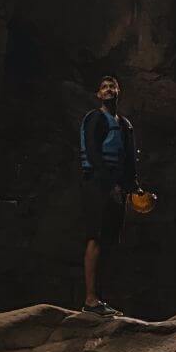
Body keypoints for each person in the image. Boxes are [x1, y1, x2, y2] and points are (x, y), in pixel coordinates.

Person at [78, 73, 138, 317]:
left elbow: (129, 160)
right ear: (98, 94)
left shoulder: (125, 125)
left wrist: (133, 186)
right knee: (96, 237)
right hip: (98, 185)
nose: (108, 90)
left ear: (118, 92)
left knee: (110, 241)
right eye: (104, 87)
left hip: (117, 189)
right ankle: (90, 299)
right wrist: (110, 185)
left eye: (112, 86)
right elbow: (93, 153)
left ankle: (102, 299)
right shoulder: (95, 119)